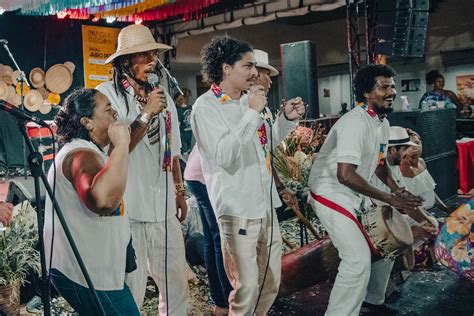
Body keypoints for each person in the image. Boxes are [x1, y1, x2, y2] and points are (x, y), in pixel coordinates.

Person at [191, 36, 306, 315]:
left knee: (271, 282)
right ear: (226, 68)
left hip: (265, 206)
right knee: (247, 287)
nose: (255, 72)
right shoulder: (205, 108)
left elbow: (266, 144)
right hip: (236, 208)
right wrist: (252, 113)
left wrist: (285, 121)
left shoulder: (251, 102)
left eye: (255, 66)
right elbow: (224, 155)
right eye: (248, 65)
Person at [307, 64, 423, 316]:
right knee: (357, 260)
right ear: (366, 93)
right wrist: (388, 197)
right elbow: (345, 174)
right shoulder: (354, 123)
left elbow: (379, 165)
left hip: (353, 193)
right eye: (384, 87)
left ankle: (372, 299)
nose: (391, 91)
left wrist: (397, 191)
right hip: (330, 192)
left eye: (392, 86)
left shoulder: (382, 123)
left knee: (385, 245)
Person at [96, 24, 189, 314]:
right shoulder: (106, 95)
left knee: (176, 285)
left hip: (162, 207)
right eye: (142, 55)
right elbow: (115, 149)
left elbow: (173, 151)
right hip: (128, 209)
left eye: (153, 54)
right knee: (132, 288)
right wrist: (146, 113)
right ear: (125, 61)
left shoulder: (161, 96)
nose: (151, 60)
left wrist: (179, 190)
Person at [43, 88, 139, 315]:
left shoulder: (89, 151)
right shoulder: (80, 155)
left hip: (95, 270)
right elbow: (104, 200)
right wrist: (122, 145)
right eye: (108, 109)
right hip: (88, 273)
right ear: (87, 122)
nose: (115, 113)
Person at [366, 126, 437, 313]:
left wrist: (425, 221)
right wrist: (408, 232)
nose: (407, 153)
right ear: (391, 150)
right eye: (404, 149)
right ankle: (372, 300)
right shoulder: (373, 167)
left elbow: (406, 203)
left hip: (384, 214)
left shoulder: (393, 167)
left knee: (431, 224)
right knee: (387, 244)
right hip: (367, 217)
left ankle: (396, 266)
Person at [400, 129, 449, 212]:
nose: (415, 147)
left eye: (417, 143)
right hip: (411, 216)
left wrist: (446, 209)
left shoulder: (421, 162)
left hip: (426, 213)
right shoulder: (400, 169)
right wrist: (429, 219)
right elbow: (404, 207)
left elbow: (429, 191)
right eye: (409, 145)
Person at [174, 90, 193, 155]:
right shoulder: (191, 108)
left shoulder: (179, 110)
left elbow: (178, 125)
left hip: (186, 134)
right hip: (189, 134)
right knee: (189, 152)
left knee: (186, 154)